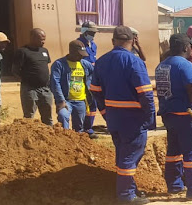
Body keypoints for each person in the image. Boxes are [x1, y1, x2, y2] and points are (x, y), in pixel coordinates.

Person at [90, 26, 155, 204]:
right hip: (133, 119)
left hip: (114, 118)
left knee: (123, 154)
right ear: (133, 41)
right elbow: (146, 93)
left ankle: (129, 189)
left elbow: (95, 91)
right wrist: (149, 117)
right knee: (130, 155)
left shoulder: (101, 61)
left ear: (113, 41)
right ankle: (126, 196)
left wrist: (105, 112)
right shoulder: (134, 62)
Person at [155, 33, 192, 199]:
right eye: (191, 46)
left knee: (174, 151)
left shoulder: (162, 66)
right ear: (185, 47)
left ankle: (174, 185)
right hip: (188, 117)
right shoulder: (184, 65)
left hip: (170, 116)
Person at [50, 40, 95, 134]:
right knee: (63, 116)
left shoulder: (85, 64)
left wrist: (89, 85)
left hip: (80, 101)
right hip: (66, 100)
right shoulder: (59, 64)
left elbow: (94, 73)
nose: (81, 56)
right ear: (71, 51)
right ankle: (64, 141)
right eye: (79, 54)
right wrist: (60, 100)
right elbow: (55, 82)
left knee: (78, 128)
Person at [14, 28, 53, 126]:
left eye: (44, 39)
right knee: (29, 117)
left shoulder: (45, 51)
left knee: (48, 117)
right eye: (40, 39)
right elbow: (15, 70)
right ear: (32, 37)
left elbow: (44, 66)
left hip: (45, 89)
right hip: (30, 90)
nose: (43, 42)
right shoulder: (22, 51)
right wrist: (27, 81)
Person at [78, 21, 100, 136]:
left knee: (93, 102)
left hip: (93, 77)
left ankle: (88, 127)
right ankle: (82, 127)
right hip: (83, 77)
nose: (93, 35)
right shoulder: (78, 44)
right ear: (84, 31)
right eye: (91, 32)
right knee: (84, 102)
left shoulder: (93, 45)